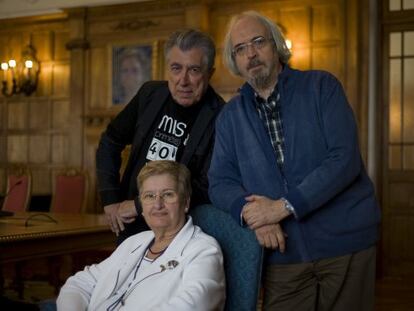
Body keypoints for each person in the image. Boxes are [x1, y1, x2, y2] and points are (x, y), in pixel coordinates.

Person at [208, 11, 381, 311]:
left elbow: (344, 159)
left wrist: (280, 207)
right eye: (240, 49)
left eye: (258, 42)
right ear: (234, 61)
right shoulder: (229, 117)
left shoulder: (321, 87)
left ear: (276, 46)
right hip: (282, 253)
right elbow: (219, 182)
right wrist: (253, 213)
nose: (250, 54)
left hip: (345, 245)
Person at [96, 29, 224, 243]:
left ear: (209, 73)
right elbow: (110, 140)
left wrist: (139, 205)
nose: (183, 80)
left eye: (193, 70)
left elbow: (205, 186)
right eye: (176, 68)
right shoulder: (150, 94)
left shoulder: (221, 117)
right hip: (128, 225)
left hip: (177, 231)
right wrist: (110, 199)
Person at [57, 160, 225, 310]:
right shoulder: (135, 242)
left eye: (168, 194)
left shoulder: (203, 249)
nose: (157, 204)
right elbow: (79, 284)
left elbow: (195, 304)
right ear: (142, 206)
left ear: (186, 202)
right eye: (149, 196)